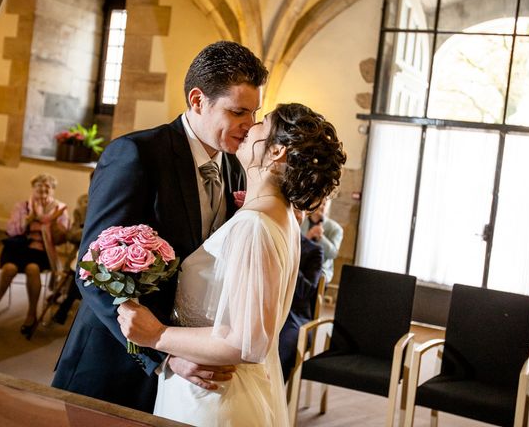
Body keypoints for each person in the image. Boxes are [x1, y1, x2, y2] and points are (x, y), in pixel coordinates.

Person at [51, 40, 269, 413]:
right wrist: (162, 354)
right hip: (115, 363)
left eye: (254, 113)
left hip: (189, 371)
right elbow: (92, 272)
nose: (249, 126)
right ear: (198, 100)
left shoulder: (235, 168)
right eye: (238, 112)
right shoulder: (136, 155)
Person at [117, 103, 347, 426]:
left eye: (260, 123)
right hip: (224, 387)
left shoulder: (256, 225)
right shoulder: (283, 218)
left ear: (277, 150)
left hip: (215, 397)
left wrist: (156, 336)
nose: (249, 126)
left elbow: (246, 341)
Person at [0, 174, 69, 336]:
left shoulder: (60, 209)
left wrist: (54, 223)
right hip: (17, 248)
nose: (43, 191)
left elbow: (60, 240)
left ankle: (31, 315)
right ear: (33, 189)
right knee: (8, 269)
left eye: (47, 187)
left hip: (40, 252)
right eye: (39, 187)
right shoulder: (22, 206)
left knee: (33, 269)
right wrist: (29, 219)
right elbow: (11, 231)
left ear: (53, 190)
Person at [279, 209, 324, 381]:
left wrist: (289, 256)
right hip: (263, 308)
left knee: (286, 344)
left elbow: (305, 292)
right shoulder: (264, 237)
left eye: (299, 211)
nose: (295, 215)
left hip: (294, 316)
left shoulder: (313, 251)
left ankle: (274, 400)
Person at [51, 193, 88, 325]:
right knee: (81, 265)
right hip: (80, 253)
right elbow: (71, 236)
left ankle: (66, 304)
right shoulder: (83, 209)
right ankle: (67, 304)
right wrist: (89, 231)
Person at [300, 197, 343, 283]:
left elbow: (333, 254)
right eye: (318, 203)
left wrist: (321, 238)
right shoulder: (300, 221)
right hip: (299, 263)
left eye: (324, 204)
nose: (321, 206)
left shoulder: (335, 229)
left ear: (328, 207)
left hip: (321, 269)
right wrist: (309, 235)